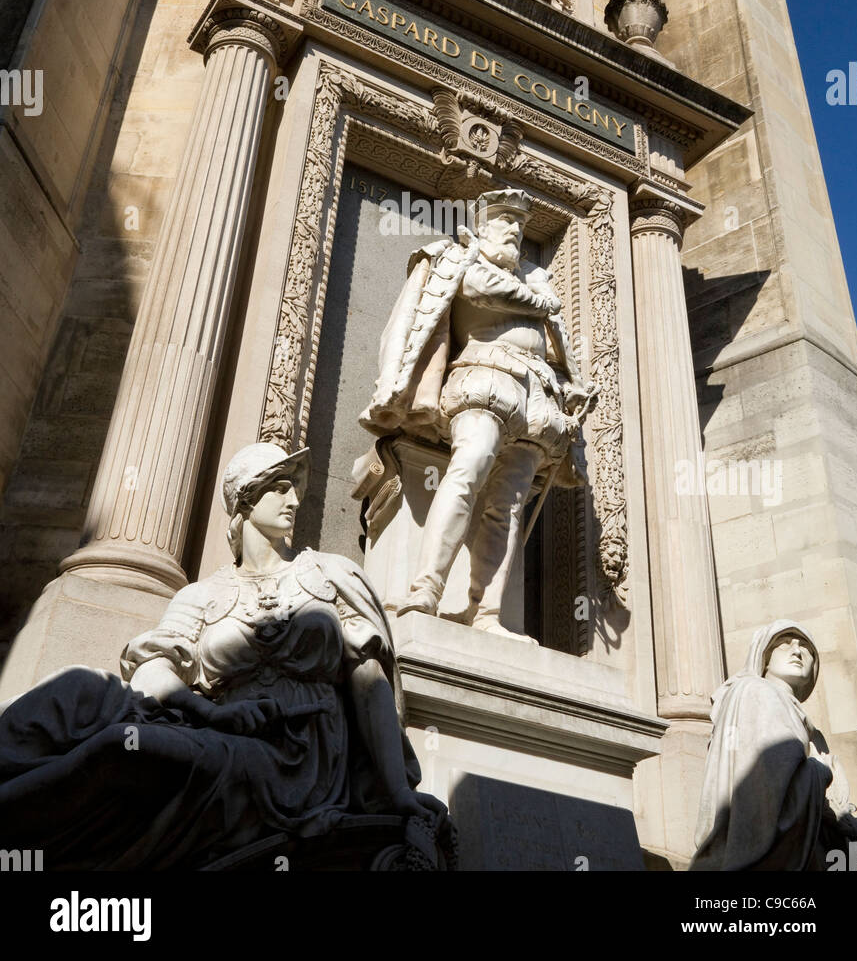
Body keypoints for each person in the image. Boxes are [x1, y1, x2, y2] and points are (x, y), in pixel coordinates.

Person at [0, 442, 451, 870]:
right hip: (225, 732)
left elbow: (368, 679)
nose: (294, 497)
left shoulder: (329, 574)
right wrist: (207, 712)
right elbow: (152, 669)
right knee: (75, 687)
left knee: (124, 747)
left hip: (297, 759)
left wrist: (395, 790)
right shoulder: (205, 595)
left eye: (294, 485)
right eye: (279, 486)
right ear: (246, 502)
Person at [359, 187, 598, 638]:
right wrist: (541, 300)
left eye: (520, 226)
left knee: (507, 504)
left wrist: (575, 386)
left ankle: (486, 613)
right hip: (482, 376)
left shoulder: (535, 279)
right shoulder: (463, 260)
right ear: (482, 225)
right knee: (468, 468)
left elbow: (557, 350)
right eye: (505, 221)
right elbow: (480, 292)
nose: (514, 230)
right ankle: (425, 590)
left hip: (536, 395)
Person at [691, 619, 857, 871]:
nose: (797, 651)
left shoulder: (803, 722)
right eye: (784, 644)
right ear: (764, 656)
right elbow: (764, 786)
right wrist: (820, 772)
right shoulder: (757, 692)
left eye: (805, 647)